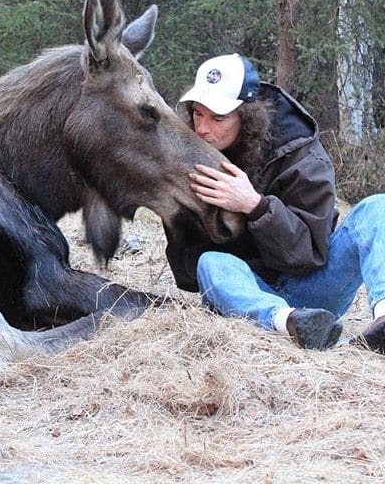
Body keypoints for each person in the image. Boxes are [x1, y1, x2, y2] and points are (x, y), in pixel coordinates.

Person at [164, 53, 385, 351]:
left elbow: (309, 256)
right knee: (210, 262)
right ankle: (291, 324)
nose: (203, 128)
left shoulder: (301, 155)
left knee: (377, 208)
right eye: (198, 113)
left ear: (247, 116)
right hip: (245, 293)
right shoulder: (190, 159)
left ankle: (382, 324)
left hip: (312, 288)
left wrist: (255, 206)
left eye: (218, 118)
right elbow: (189, 276)